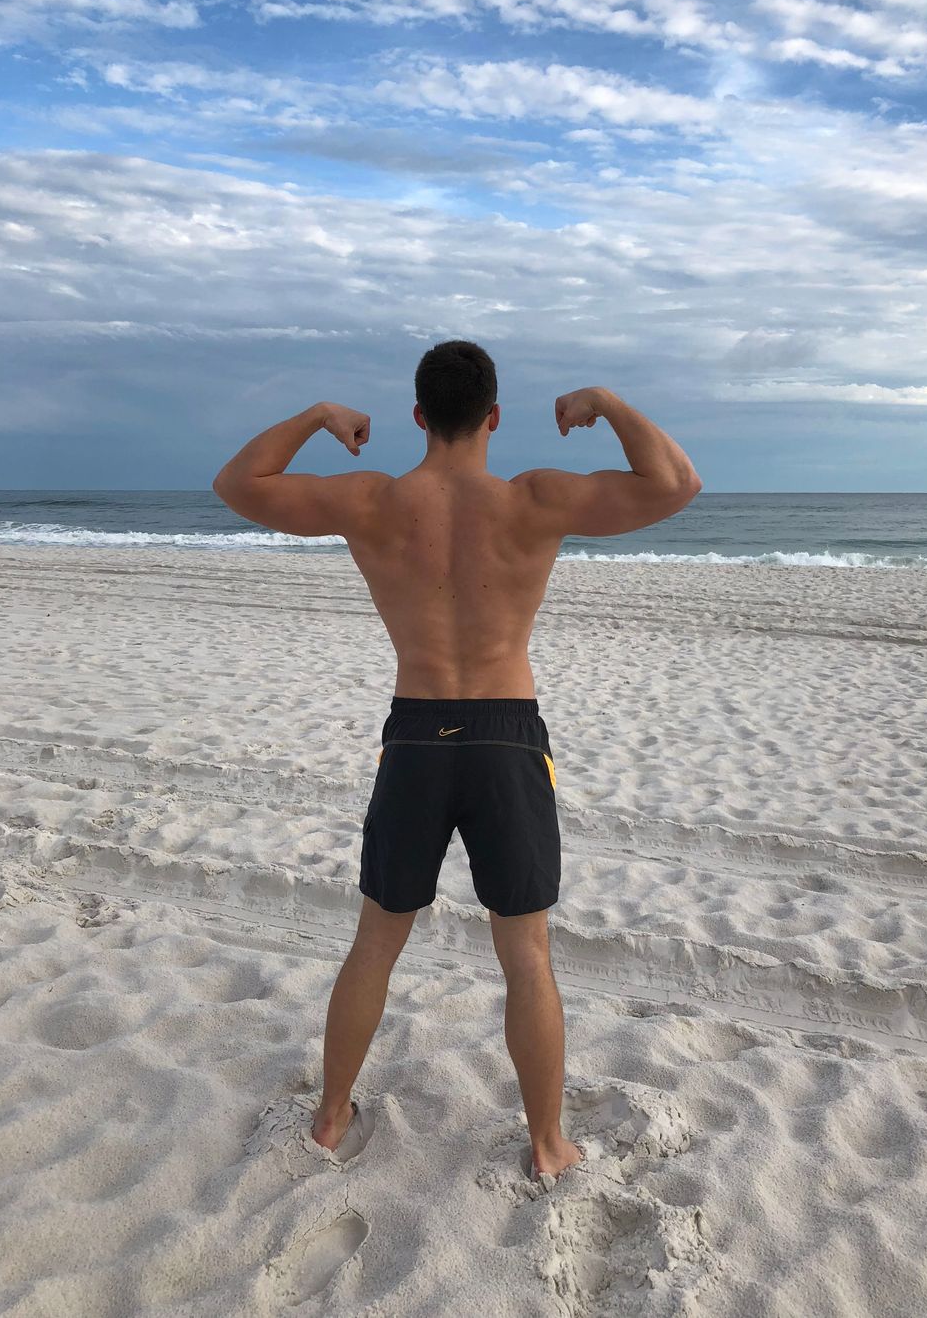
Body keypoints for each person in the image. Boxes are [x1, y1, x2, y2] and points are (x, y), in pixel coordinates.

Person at [212, 340, 702, 1184]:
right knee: (528, 955)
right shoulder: (535, 498)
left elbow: (238, 484)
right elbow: (676, 483)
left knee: (376, 942)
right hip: (506, 737)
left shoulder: (373, 500)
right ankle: (548, 1144)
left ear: (416, 417)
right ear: (495, 417)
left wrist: (319, 416)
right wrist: (610, 403)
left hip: (415, 734)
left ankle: (331, 1118)